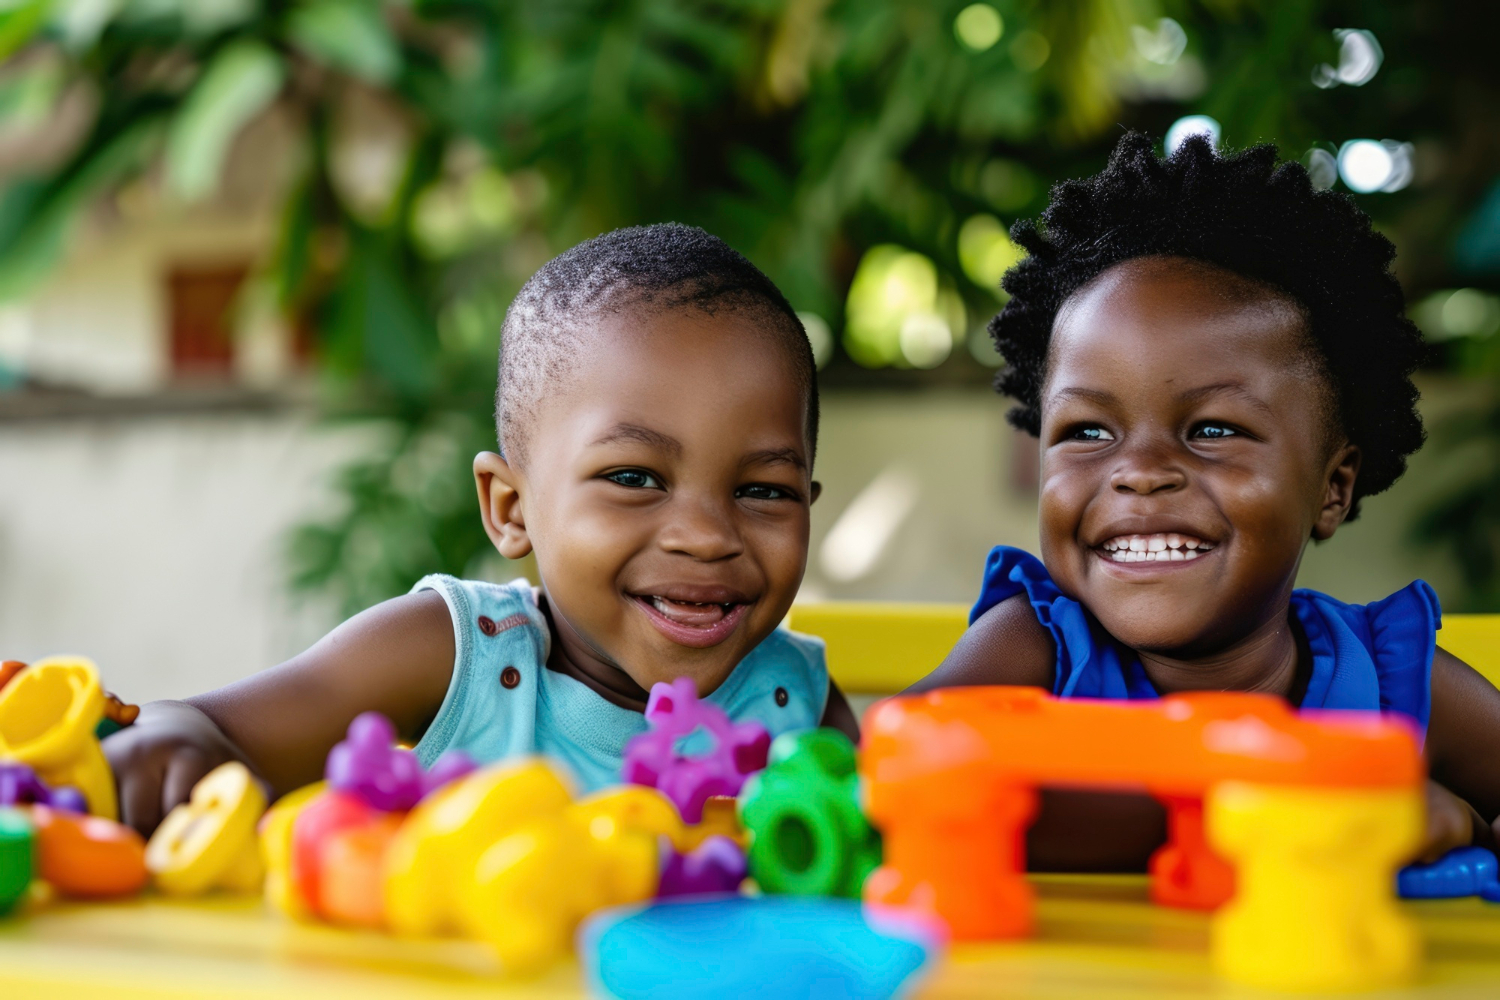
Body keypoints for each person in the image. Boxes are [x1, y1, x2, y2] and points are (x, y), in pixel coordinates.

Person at [105, 223, 857, 836]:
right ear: (510, 507)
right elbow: (214, 724)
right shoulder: (458, 654)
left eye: (763, 490)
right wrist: (178, 742)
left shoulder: (799, 701)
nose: (703, 535)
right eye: (633, 479)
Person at [914, 134, 1500, 870]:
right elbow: (885, 768)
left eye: (1213, 430)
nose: (1140, 472)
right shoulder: (1033, 651)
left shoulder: (1392, 684)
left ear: (1333, 486)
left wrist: (1461, 830)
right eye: (1089, 430)